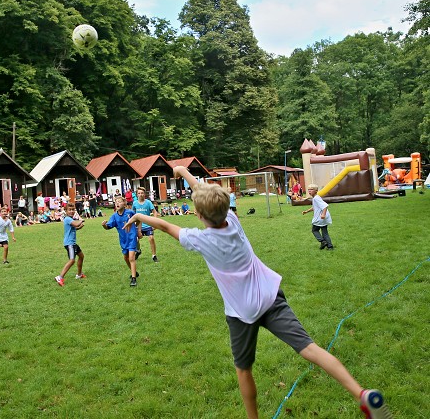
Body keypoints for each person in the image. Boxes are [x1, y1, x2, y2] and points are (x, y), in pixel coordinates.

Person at [123, 166, 391, 419]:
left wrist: (138, 216)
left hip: (242, 313)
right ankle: (361, 393)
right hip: (270, 296)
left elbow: (167, 226)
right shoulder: (233, 220)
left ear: (199, 215)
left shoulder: (200, 239)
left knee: (243, 370)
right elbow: (205, 193)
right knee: (309, 348)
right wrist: (183, 172)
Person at [102, 196, 139, 287]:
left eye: (119, 202)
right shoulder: (114, 216)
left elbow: (138, 219)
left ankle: (133, 279)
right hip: (123, 240)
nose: (117, 203)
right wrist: (104, 225)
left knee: (131, 258)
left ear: (124, 203)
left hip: (132, 238)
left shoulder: (130, 212)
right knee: (125, 258)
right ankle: (134, 272)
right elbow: (108, 227)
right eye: (116, 202)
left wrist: (137, 230)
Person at [54, 203, 86, 287]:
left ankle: (79, 274)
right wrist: (81, 220)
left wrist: (80, 227)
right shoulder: (68, 219)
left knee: (81, 256)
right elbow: (75, 224)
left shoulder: (70, 219)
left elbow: (74, 228)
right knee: (72, 260)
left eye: (73, 210)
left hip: (73, 243)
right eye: (70, 210)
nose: (71, 211)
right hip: (69, 243)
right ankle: (60, 277)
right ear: (66, 211)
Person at [302, 184, 334, 250]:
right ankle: (330, 246)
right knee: (325, 232)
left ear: (316, 191)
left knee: (314, 230)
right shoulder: (316, 197)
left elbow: (325, 206)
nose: (309, 191)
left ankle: (323, 242)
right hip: (323, 218)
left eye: (311, 189)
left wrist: (323, 214)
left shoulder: (316, 198)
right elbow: (314, 207)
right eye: (308, 190)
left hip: (320, 218)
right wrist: (306, 211)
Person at [132, 187, 159, 262]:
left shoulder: (148, 202)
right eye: (139, 193)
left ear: (145, 194)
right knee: (136, 239)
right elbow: (132, 214)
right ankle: (138, 250)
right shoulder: (135, 203)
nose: (140, 195)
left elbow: (154, 212)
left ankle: (154, 255)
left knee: (151, 238)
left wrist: (155, 223)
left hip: (148, 225)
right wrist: (133, 223)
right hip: (138, 226)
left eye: (142, 193)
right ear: (137, 195)